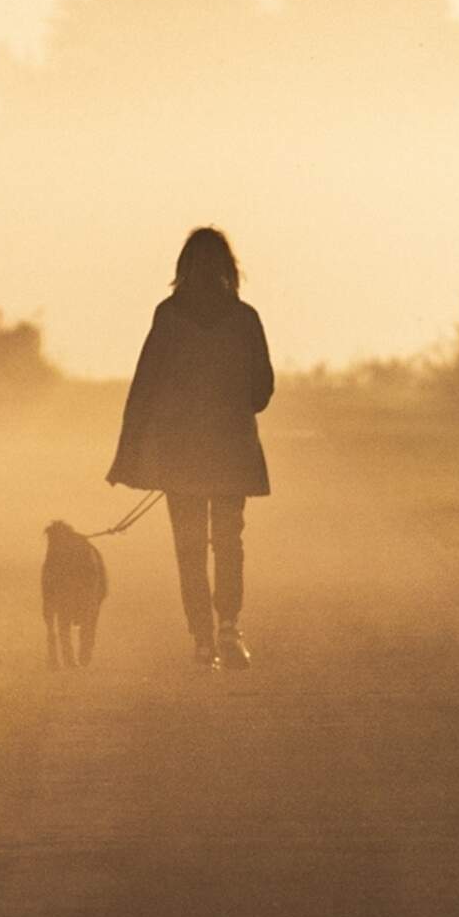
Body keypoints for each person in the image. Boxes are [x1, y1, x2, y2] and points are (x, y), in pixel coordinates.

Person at [107, 225, 274, 668]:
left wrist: (128, 455)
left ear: (184, 267)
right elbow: (261, 393)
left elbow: (144, 388)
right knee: (228, 541)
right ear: (228, 268)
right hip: (232, 452)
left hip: (180, 454)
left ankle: (202, 639)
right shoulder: (245, 319)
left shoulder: (168, 317)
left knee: (189, 546)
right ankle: (229, 628)